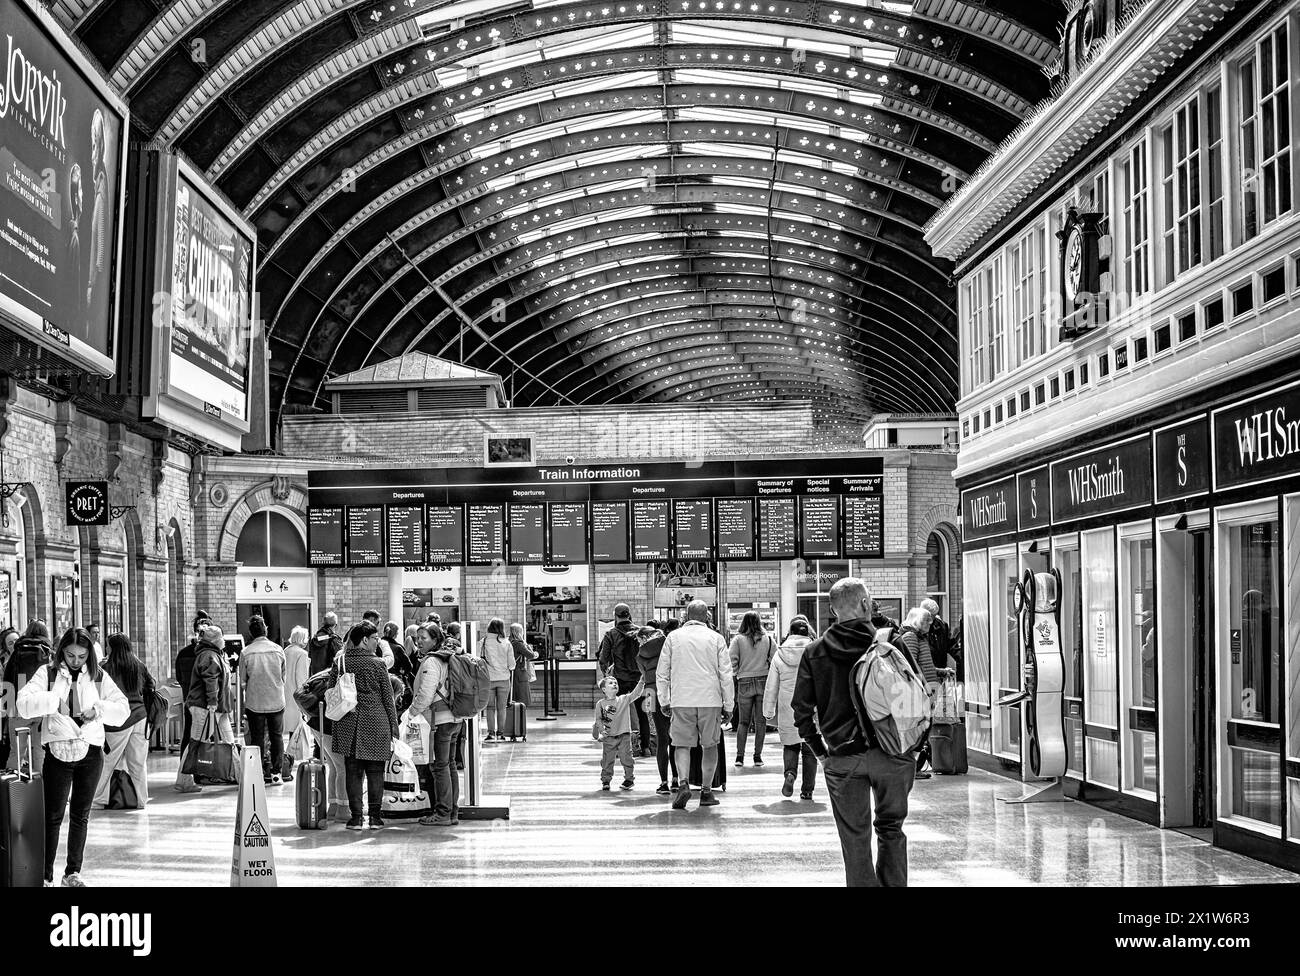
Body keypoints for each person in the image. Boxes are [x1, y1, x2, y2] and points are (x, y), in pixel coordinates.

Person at [793, 578, 917, 887]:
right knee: (891, 829)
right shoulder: (890, 643)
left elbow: (801, 710)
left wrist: (821, 752)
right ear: (863, 604)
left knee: (855, 838)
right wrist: (913, 748)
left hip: (842, 758)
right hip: (892, 753)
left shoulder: (815, 651)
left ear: (833, 610)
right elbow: (917, 697)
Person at [17, 627, 128, 886]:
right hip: (57, 752)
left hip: (90, 752)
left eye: (81, 656)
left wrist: (99, 710)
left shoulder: (99, 676)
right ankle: (45, 876)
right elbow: (23, 703)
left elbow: (122, 709)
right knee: (53, 816)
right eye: (70, 655)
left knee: (81, 815)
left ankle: (72, 873)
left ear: (89, 654)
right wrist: (54, 701)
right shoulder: (48, 673)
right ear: (61, 652)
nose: (75, 661)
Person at [657, 600, 733, 811]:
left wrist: (664, 700)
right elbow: (726, 674)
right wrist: (729, 705)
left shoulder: (673, 637)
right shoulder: (716, 638)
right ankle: (707, 792)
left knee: (681, 744)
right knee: (709, 745)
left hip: (682, 699)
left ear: (686, 616)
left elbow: (662, 673)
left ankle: (683, 784)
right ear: (707, 616)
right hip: (710, 700)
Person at [329, 622, 399, 830]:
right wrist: (394, 726)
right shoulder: (378, 664)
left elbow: (331, 690)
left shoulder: (340, 661)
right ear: (365, 640)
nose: (378, 641)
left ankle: (356, 818)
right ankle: (375, 818)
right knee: (375, 771)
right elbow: (388, 698)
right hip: (376, 721)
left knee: (353, 771)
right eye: (375, 638)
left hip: (347, 721)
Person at [94, 634, 154, 808]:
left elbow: (97, 692)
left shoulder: (105, 668)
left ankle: (98, 799)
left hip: (117, 720)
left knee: (108, 761)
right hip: (140, 717)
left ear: (112, 648)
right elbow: (150, 686)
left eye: (107, 646)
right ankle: (141, 800)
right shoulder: (138, 665)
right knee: (138, 763)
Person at [411, 624, 463, 827]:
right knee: (449, 765)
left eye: (423, 637)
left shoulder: (433, 661)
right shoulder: (449, 657)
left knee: (439, 767)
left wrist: (412, 711)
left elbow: (426, 693)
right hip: (455, 718)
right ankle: (452, 811)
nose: (419, 641)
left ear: (435, 639)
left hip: (439, 720)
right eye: (417, 637)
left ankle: (442, 812)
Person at [764, 618, 817, 800]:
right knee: (810, 747)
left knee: (790, 744)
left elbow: (772, 686)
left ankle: (790, 774)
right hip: (810, 703)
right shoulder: (815, 651)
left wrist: (768, 711)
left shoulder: (780, 653)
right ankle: (807, 790)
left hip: (788, 703)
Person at [239, 615, 287, 785]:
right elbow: (283, 676)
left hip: (255, 701)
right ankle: (276, 774)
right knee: (277, 737)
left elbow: (243, 681)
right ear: (266, 629)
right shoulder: (278, 649)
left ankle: (257, 773)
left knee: (257, 738)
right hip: (276, 699)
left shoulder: (246, 652)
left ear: (251, 634)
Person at [598, 603, 650, 754]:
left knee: (617, 713)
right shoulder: (641, 632)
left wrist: (607, 677)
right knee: (642, 712)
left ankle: (620, 748)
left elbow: (603, 658)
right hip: (638, 679)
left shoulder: (611, 634)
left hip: (619, 679)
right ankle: (645, 747)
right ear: (629, 615)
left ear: (615, 616)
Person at [4, 621, 54, 774]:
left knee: (17, 752)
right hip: (42, 709)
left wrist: (9, 709)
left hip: (19, 709)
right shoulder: (49, 653)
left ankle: (12, 790)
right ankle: (42, 791)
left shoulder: (17, 653)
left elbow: (8, 680)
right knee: (40, 751)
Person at [729, 611, 776, 768]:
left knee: (743, 722)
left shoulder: (738, 640)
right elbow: (775, 659)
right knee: (760, 722)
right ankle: (757, 757)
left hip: (745, 682)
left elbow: (731, 661)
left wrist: (737, 673)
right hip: (763, 681)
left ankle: (739, 757)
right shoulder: (768, 639)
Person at [636, 620, 679, 792]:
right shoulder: (669, 644)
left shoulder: (640, 655)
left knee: (662, 738)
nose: (638, 644)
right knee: (675, 738)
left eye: (639, 641)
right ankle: (677, 779)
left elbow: (644, 676)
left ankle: (663, 783)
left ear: (644, 638)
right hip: (672, 691)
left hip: (651, 693)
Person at [593, 673, 646, 790]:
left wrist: (641, 682)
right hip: (609, 737)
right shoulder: (600, 704)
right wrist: (602, 730)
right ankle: (606, 780)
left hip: (624, 736)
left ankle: (629, 779)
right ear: (604, 689)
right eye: (611, 683)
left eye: (616, 683)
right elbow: (598, 719)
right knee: (607, 760)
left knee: (627, 758)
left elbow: (636, 694)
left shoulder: (624, 699)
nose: (614, 684)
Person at [479, 618, 514, 741]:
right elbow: (512, 665)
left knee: (490, 707)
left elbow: (477, 660)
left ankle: (490, 733)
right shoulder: (506, 643)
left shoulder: (483, 642)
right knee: (501, 707)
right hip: (504, 679)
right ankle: (501, 733)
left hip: (488, 679)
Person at [508, 622, 536, 708]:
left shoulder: (509, 642)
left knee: (513, 699)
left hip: (511, 673)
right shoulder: (518, 644)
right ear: (519, 632)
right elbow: (531, 655)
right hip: (520, 674)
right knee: (522, 700)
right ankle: (520, 719)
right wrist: (526, 644)